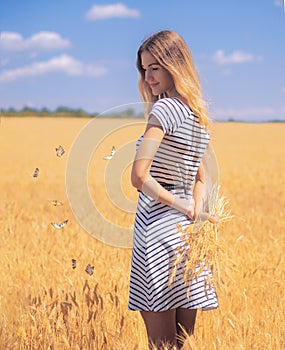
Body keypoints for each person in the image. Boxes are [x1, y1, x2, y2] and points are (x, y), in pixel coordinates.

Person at [128, 30, 218, 349]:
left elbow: (138, 177)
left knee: (161, 345)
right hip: (188, 238)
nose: (148, 76)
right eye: (144, 69)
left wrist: (182, 207)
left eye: (155, 67)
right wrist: (194, 211)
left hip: (158, 234)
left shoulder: (164, 111)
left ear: (174, 65)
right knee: (183, 343)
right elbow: (201, 179)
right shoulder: (195, 112)